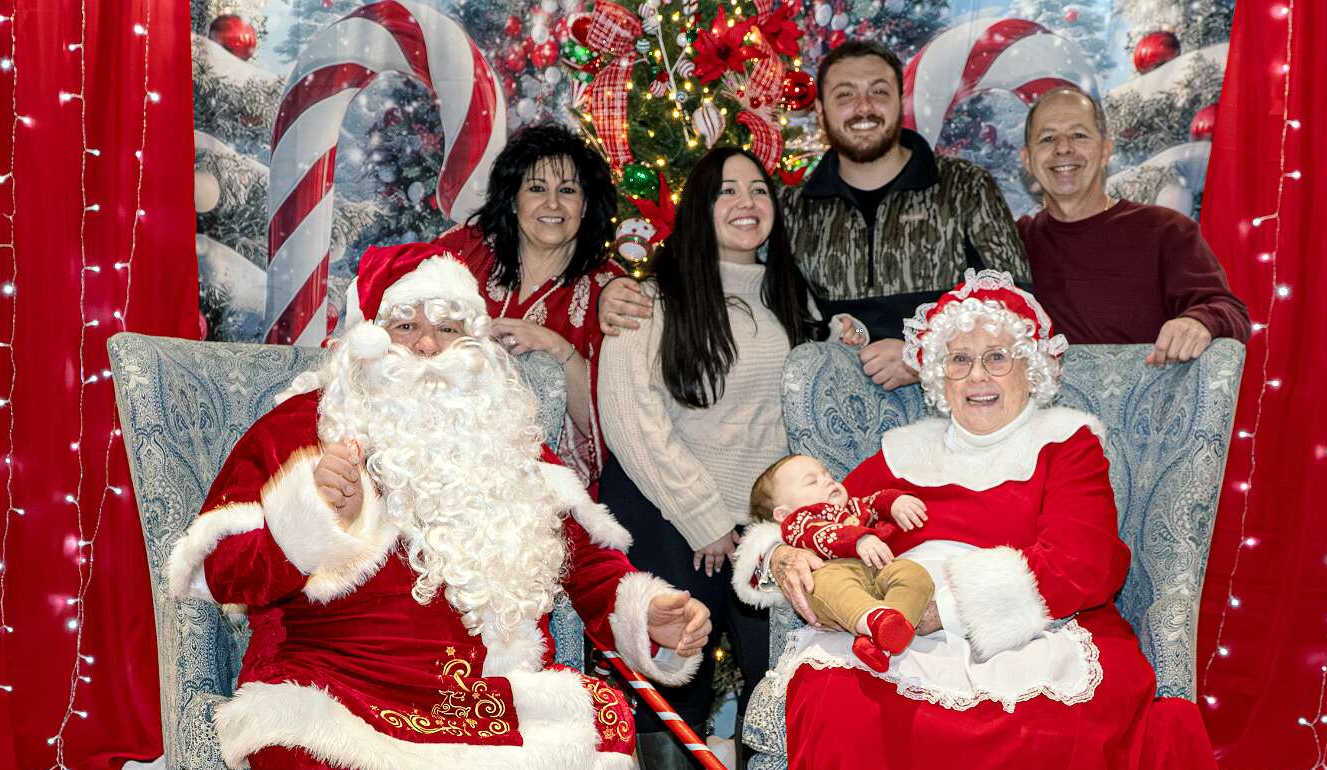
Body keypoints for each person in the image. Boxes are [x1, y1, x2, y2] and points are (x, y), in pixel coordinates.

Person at [168, 242, 711, 770]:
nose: (426, 345)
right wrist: (308, 512)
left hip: (475, 682)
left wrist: (648, 611)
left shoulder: (511, 439)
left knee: (591, 728)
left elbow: (589, 566)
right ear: (365, 335)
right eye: (406, 325)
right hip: (334, 674)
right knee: (296, 742)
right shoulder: (298, 427)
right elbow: (221, 570)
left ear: (475, 342)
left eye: (448, 327)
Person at [734, 269, 1250, 770]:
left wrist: (949, 609)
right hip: (897, 626)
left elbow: (1081, 562)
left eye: (996, 357)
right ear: (936, 373)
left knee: (1035, 726)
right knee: (837, 703)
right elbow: (816, 516)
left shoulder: (1067, 442)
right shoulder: (899, 451)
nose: (977, 374)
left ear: (1029, 367)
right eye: (959, 358)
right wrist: (779, 556)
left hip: (1033, 625)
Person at [597, 147, 809, 770]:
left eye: (759, 190)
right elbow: (630, 419)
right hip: (668, 510)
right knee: (676, 669)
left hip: (758, 528)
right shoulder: (648, 301)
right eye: (726, 191)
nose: (746, 202)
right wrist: (702, 516)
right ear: (698, 209)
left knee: (768, 678)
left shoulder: (790, 299)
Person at [599, 41, 1030, 393]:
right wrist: (620, 290)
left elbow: (1018, 307)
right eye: (845, 95)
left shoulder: (964, 185)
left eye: (879, 91)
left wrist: (926, 354)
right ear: (821, 112)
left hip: (955, 407)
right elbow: (715, 267)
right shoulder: (789, 207)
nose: (864, 106)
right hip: (833, 421)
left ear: (900, 102)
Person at [437, 123, 623, 491]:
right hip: (443, 458)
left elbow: (611, 428)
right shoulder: (462, 251)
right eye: (537, 188)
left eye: (567, 190)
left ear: (585, 205)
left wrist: (556, 347)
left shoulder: (609, 290)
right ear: (512, 199)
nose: (552, 204)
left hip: (546, 488)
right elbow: (399, 323)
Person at [1018, 87, 1250, 364]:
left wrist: (1197, 321)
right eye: (1047, 138)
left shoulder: (1167, 230)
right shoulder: (1013, 244)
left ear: (1105, 151)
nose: (1063, 148)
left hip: (1149, 392)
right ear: (1027, 159)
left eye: (1079, 135)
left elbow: (1230, 311)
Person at [742, 453, 933, 672]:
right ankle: (874, 621)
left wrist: (893, 502)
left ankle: (886, 633)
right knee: (823, 583)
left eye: (827, 474)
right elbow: (818, 534)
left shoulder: (852, 508)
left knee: (914, 574)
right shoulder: (797, 522)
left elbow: (873, 502)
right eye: (812, 481)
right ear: (783, 513)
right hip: (832, 574)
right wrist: (857, 539)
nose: (828, 480)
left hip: (875, 572)